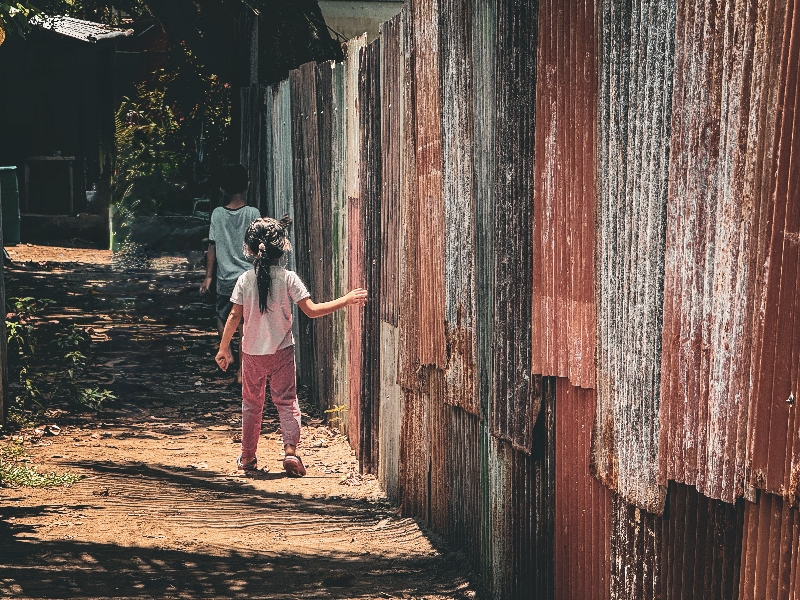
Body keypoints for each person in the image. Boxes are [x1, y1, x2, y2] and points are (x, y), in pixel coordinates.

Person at [215, 216, 367, 476]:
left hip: (252, 354)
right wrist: (347, 299)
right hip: (282, 352)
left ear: (250, 249)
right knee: (286, 402)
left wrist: (223, 348)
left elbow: (233, 316)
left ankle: (248, 457)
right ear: (283, 247)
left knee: (251, 404)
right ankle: (290, 452)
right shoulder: (289, 279)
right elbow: (312, 311)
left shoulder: (244, 280)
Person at [200, 164, 261, 379]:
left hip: (225, 279)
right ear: (247, 185)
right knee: (245, 324)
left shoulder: (217, 214)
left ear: (221, 189)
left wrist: (208, 277)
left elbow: (212, 245)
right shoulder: (253, 213)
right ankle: (242, 372)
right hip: (249, 278)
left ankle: (226, 350)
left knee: (221, 315)